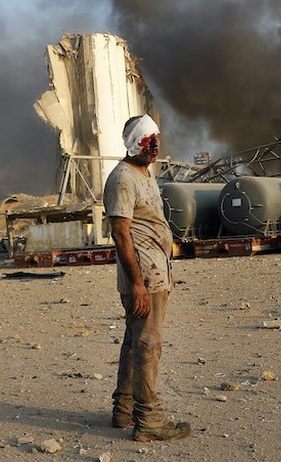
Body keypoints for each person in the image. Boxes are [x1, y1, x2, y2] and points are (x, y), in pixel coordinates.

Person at [103, 114, 192, 442]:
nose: (154, 145)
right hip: (143, 277)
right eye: (146, 140)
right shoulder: (123, 178)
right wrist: (138, 285)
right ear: (131, 144)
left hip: (155, 271)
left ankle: (124, 411)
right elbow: (121, 235)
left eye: (156, 137)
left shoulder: (144, 173)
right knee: (147, 345)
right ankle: (150, 422)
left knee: (134, 342)